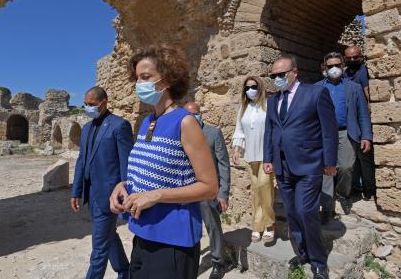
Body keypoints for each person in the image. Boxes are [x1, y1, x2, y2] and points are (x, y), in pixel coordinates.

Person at [109, 45, 218, 279]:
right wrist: (124, 185)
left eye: (146, 77)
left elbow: (209, 187)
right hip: (142, 234)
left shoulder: (185, 122)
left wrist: (156, 195)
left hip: (172, 241)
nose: (139, 83)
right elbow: (150, 171)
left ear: (167, 80)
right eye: (137, 78)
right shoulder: (149, 121)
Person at [263, 55, 338, 279]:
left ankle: (318, 261)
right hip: (282, 164)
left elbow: (329, 130)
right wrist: (268, 158)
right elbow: (270, 131)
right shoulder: (272, 101)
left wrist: (330, 161)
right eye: (273, 75)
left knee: (306, 210)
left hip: (309, 163)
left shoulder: (315, 93)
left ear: (294, 72)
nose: (277, 78)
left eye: (281, 74)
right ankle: (303, 252)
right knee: (292, 212)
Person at [70, 86, 132, 279]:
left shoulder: (119, 125)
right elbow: (82, 160)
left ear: (104, 103)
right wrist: (76, 191)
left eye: (92, 104)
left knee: (99, 247)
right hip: (92, 194)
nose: (88, 108)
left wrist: (126, 192)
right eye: (86, 104)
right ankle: (125, 270)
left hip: (109, 195)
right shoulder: (87, 128)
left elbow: (126, 162)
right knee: (108, 235)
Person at [316, 52, 373, 220]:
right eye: (330, 66)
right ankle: (327, 208)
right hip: (324, 133)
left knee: (346, 166)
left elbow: (363, 114)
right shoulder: (317, 88)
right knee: (326, 169)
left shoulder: (353, 87)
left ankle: (343, 194)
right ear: (324, 68)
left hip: (346, 131)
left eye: (337, 65)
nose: (334, 69)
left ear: (343, 66)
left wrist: (366, 136)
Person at [184, 102, 231, 279]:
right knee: (188, 227)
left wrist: (223, 192)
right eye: (189, 115)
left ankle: (219, 262)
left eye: (195, 114)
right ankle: (189, 263)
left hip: (207, 191)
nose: (193, 117)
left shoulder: (213, 133)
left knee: (212, 227)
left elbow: (224, 164)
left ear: (200, 114)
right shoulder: (181, 134)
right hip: (187, 189)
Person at [232, 76, 276, 243]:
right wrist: (237, 149)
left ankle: (270, 223)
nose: (251, 89)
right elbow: (239, 131)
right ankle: (258, 225)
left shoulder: (268, 106)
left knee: (264, 186)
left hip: (266, 155)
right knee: (256, 189)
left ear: (260, 87)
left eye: (254, 86)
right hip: (250, 155)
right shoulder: (243, 108)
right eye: (248, 87)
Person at [344, 45, 376, 200]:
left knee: (364, 156)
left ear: (361, 56)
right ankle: (355, 187)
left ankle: (369, 189)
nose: (352, 60)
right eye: (349, 57)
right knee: (352, 158)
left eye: (355, 57)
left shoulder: (363, 71)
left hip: (361, 119)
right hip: (350, 120)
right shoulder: (345, 73)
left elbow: (368, 93)